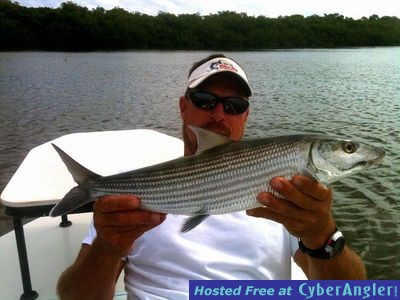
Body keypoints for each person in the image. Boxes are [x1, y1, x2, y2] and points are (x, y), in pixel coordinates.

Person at [57, 54, 367, 300]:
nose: (219, 114)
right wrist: (107, 248)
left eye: (234, 106)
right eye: (206, 100)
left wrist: (322, 236)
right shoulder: (133, 199)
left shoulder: (287, 197)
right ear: (183, 107)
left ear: (245, 116)